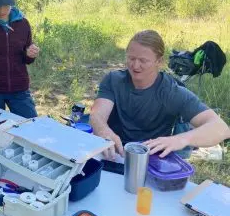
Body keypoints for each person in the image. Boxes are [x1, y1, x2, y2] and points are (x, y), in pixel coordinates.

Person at [90, 30, 230, 160]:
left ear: (159, 61)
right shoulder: (113, 80)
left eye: (143, 61)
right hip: (112, 152)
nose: (135, 65)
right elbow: (97, 115)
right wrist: (104, 131)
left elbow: (221, 128)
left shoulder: (172, 92)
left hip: (150, 159)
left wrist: (180, 139)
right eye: (131, 58)